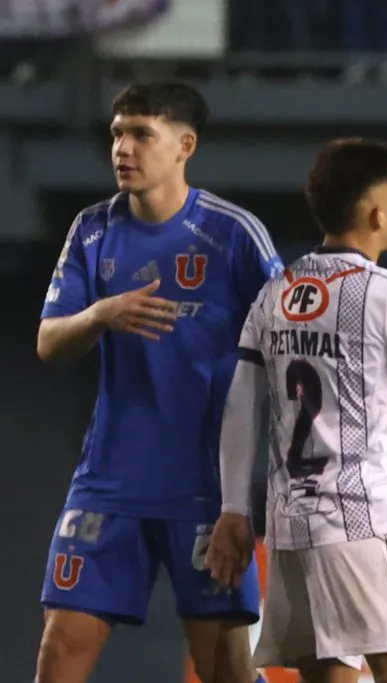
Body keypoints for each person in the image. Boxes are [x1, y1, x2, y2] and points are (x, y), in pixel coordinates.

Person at [35, 82, 282, 683]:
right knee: (58, 652)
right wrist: (100, 314)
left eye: (142, 133)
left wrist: (251, 492)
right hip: (108, 483)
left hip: (203, 488)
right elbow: (48, 343)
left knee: (223, 667)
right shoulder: (92, 230)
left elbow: (289, 342)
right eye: (117, 132)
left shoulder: (233, 233)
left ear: (184, 146)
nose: (123, 146)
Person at [206, 138, 387, 683]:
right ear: (375, 212)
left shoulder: (276, 293)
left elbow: (240, 404)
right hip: (363, 518)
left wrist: (234, 507)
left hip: (289, 526)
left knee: (327, 674)